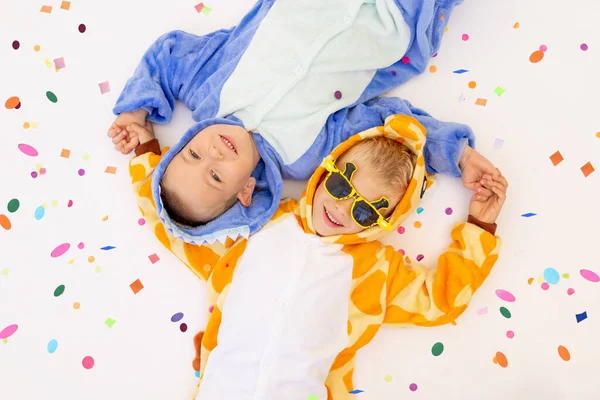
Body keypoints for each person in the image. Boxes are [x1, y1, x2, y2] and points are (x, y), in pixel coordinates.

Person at [127, 114, 507, 399]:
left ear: (387, 220)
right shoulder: (260, 221)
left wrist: (478, 227)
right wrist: (145, 150)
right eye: (342, 185)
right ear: (326, 172)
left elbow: (440, 299)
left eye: (365, 212)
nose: (342, 210)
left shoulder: (376, 271)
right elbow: (178, 226)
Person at [108, 0, 494, 245]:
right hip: (395, 18)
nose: (213, 153)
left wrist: (135, 112)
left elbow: (167, 55)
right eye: (216, 176)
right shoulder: (306, 154)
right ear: (246, 190)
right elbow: (388, 124)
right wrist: (456, 153)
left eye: (192, 153)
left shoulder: (203, 86)